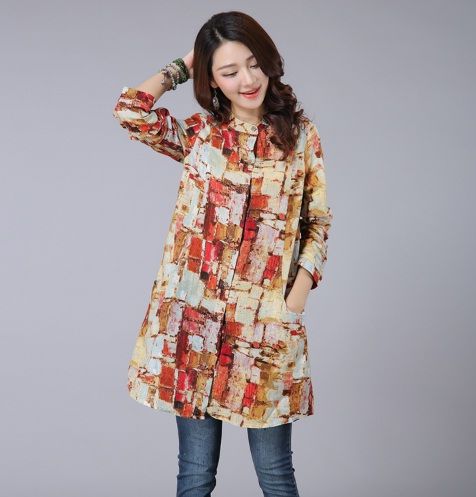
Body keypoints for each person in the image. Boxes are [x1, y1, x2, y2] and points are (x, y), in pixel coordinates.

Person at [112, 10, 333, 497]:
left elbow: (317, 223)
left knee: (276, 475)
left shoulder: (300, 137)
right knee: (195, 475)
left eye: (253, 64)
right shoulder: (201, 135)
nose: (248, 80)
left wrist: (295, 298)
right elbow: (131, 111)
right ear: (210, 79)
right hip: (193, 324)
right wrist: (184, 63)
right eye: (229, 71)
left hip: (264, 325)